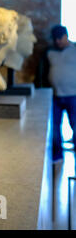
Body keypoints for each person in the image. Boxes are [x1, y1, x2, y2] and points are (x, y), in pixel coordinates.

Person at [47, 25, 76, 162]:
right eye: (55, 39)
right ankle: (57, 156)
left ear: (66, 36)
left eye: (60, 38)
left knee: (75, 125)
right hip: (55, 96)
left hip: (73, 96)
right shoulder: (49, 52)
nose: (57, 41)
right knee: (54, 128)